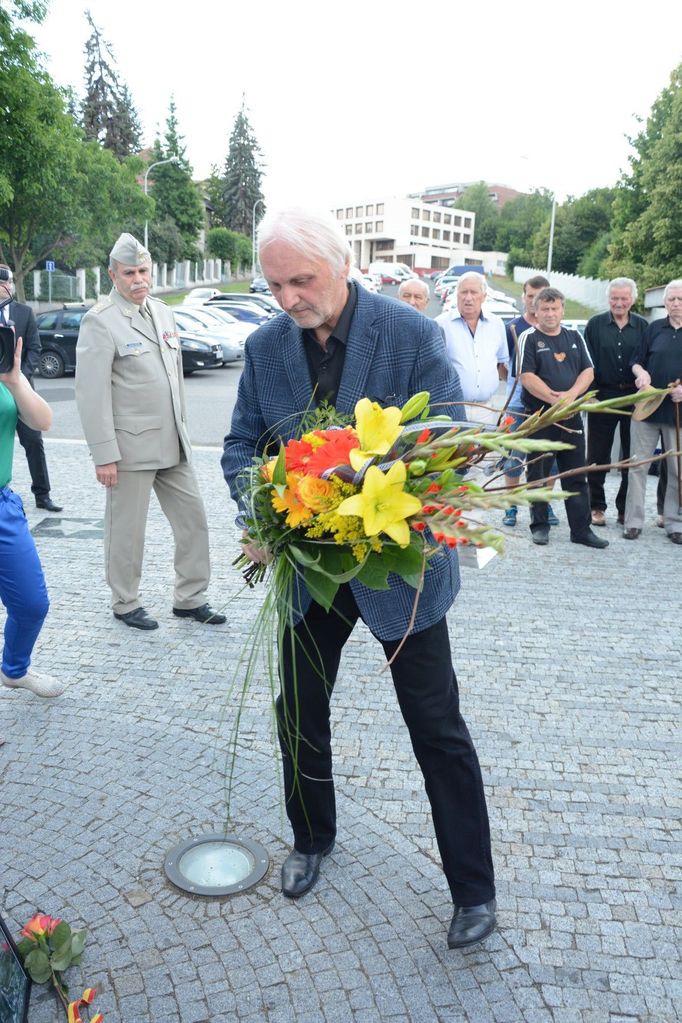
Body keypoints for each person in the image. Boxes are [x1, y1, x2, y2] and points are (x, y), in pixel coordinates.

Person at [222, 208, 496, 950]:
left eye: (300, 280)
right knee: (298, 709)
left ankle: (473, 888)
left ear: (340, 265)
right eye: (275, 284)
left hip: (400, 572)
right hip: (310, 570)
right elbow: (242, 446)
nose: (287, 298)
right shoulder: (263, 346)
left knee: (437, 728)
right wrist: (268, 508)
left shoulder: (412, 335)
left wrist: (369, 482)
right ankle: (311, 837)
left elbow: (446, 439)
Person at [75, 233, 225, 630]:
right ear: (113, 274)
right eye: (129, 273)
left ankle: (190, 597)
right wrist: (104, 454)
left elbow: (174, 377)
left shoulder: (162, 312)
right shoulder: (100, 320)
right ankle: (126, 602)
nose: (138, 279)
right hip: (129, 448)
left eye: (143, 271)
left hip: (171, 442)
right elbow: (91, 394)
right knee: (127, 532)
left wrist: (184, 430)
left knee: (194, 520)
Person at [518, 286, 608, 549]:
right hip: (540, 418)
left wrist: (570, 396)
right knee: (538, 474)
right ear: (535, 311)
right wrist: (554, 399)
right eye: (544, 308)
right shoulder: (529, 338)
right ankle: (540, 526)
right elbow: (526, 376)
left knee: (576, 474)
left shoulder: (574, 337)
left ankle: (581, 530)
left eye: (554, 308)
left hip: (571, 418)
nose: (549, 313)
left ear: (562, 310)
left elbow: (589, 372)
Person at [0, 336, 63, 707]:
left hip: (3, 504)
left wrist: (14, 380)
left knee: (31, 603)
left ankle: (15, 669)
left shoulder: (4, 373)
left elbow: (43, 420)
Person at [584, 278, 648, 527]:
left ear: (632, 299)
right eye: (614, 298)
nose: (619, 303)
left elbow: (647, 360)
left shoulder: (643, 326)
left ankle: (625, 508)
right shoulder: (595, 324)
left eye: (623, 298)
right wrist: (590, 395)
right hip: (603, 396)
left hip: (635, 398)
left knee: (632, 456)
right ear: (608, 298)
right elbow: (586, 361)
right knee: (597, 455)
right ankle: (596, 507)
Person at [623, 279, 682, 544]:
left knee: (677, 470)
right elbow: (636, 360)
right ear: (665, 302)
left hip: (678, 412)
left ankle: (674, 522)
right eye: (671, 300)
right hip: (648, 409)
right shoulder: (654, 328)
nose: (676, 304)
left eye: (680, 300)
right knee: (637, 466)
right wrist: (641, 373)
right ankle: (633, 522)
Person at [0, 265, 62, 512]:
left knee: (34, 442)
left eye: (7, 282)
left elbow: (34, 349)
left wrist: (18, 380)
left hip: (21, 389)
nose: (4, 287)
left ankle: (43, 495)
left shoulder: (25, 313)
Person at [500, 274, 559, 528]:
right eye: (531, 296)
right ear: (524, 297)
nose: (535, 301)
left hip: (549, 405)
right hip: (518, 405)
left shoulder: (557, 329)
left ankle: (543, 505)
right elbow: (503, 367)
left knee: (550, 458)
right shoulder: (512, 327)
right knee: (514, 457)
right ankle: (511, 506)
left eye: (542, 296)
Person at [436, 271, 508, 423]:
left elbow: (499, 363)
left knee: (482, 448)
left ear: (484, 297)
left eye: (474, 292)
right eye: (463, 292)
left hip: (485, 410)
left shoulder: (497, 324)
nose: (468, 298)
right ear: (457, 295)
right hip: (451, 409)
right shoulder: (440, 324)